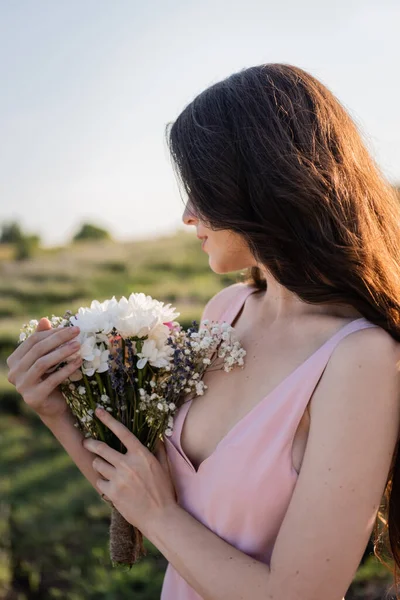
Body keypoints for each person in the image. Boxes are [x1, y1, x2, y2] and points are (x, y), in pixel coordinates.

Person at [6, 62, 400, 600]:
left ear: (258, 185)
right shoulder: (226, 312)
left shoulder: (361, 359)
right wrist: (54, 409)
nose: (188, 215)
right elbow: (144, 494)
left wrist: (160, 513)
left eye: (201, 190)